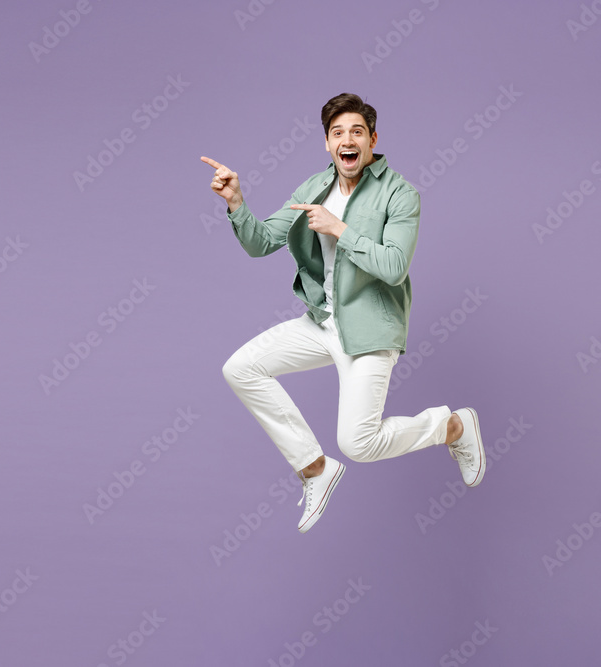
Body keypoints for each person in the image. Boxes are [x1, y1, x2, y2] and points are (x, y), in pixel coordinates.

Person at [200, 93, 485, 534]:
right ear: (327, 144)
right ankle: (314, 468)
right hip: (321, 323)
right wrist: (237, 202)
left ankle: (451, 426)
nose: (346, 140)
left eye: (356, 131)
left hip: (370, 330)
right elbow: (260, 243)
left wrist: (341, 229)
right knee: (240, 368)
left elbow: (393, 268)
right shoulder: (312, 189)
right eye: (337, 133)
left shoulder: (400, 194)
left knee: (358, 443)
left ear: (372, 140)